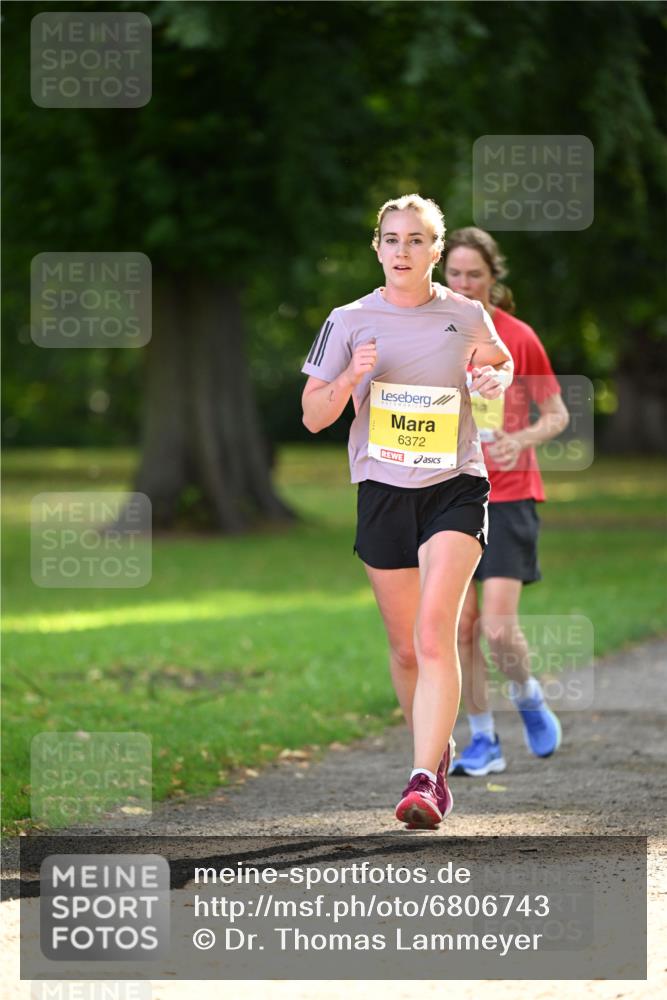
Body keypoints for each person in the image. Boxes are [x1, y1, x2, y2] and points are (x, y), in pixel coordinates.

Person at [301, 195, 513, 828]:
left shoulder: (467, 314)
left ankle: (425, 781)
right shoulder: (347, 320)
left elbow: (498, 373)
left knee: (432, 631)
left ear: (436, 252)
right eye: (392, 240)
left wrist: (492, 381)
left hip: (455, 483)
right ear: (377, 248)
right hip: (383, 491)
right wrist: (349, 380)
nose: (403, 251)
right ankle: (436, 749)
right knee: (404, 650)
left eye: (417, 240)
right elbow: (313, 415)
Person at [442, 227, 569, 777]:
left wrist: (522, 440)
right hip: (450, 492)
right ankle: (484, 739)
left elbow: (558, 413)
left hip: (511, 494)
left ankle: (529, 695)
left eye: (475, 274)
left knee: (496, 628)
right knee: (461, 628)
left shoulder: (518, 335)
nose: (465, 284)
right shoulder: (436, 334)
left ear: (494, 278)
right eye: (455, 274)